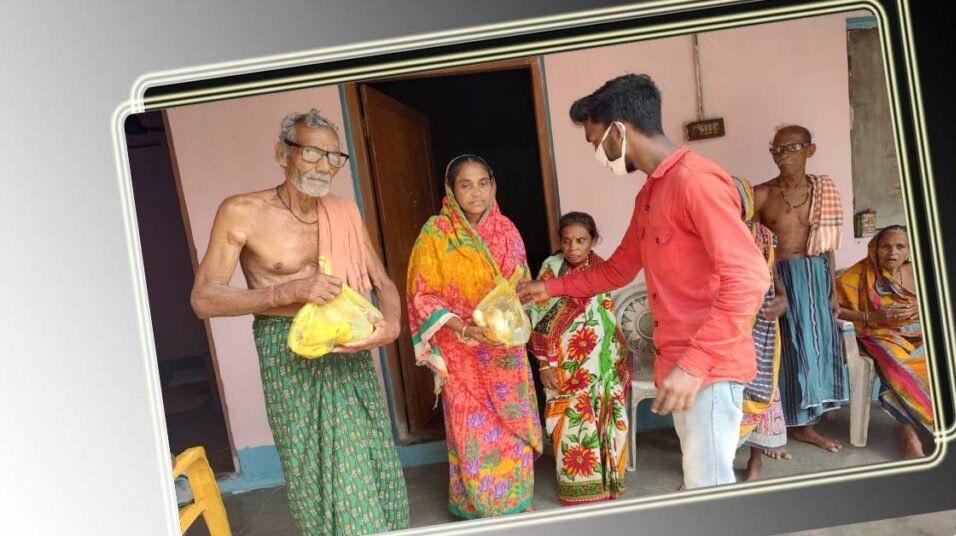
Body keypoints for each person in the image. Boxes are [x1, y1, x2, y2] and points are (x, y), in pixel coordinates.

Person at [518, 74, 770, 490]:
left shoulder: (695, 182)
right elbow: (617, 270)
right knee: (700, 482)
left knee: (708, 489)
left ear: (619, 131)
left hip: (708, 366)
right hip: (681, 364)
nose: (598, 155)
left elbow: (748, 278)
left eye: (596, 142)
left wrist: (693, 366)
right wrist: (549, 288)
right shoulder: (651, 194)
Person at [189, 109, 409, 535]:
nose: (324, 166)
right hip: (284, 345)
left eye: (334, 156)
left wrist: (393, 325)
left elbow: (383, 284)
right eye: (312, 153)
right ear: (282, 153)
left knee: (365, 455)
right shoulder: (242, 211)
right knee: (309, 464)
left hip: (345, 345)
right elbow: (203, 298)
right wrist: (284, 292)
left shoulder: (343, 212)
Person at [406, 154, 543, 518]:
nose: (476, 193)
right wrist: (465, 327)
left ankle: (515, 498)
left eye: (483, 183)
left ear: (493, 185)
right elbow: (422, 294)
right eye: (465, 185)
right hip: (462, 352)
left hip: (504, 349)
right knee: (472, 430)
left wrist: (509, 315)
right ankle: (481, 504)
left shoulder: (508, 230)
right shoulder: (436, 234)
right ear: (450, 190)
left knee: (510, 427)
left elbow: (522, 283)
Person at [754, 125, 848, 454]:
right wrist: (777, 289)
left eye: (791, 148)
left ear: (810, 150)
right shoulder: (762, 194)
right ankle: (774, 429)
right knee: (780, 353)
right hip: (776, 279)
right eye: (777, 150)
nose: (783, 156)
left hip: (816, 277)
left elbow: (827, 244)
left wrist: (833, 290)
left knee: (814, 350)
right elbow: (757, 246)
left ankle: (806, 427)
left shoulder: (824, 191)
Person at [526, 212, 631, 505]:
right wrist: (545, 364)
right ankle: (578, 489)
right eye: (567, 240)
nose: (573, 247)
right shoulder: (551, 268)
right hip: (564, 366)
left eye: (581, 240)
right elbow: (537, 317)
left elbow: (606, 317)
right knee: (571, 422)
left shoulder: (602, 269)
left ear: (593, 240)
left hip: (602, 365)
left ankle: (608, 484)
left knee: (606, 420)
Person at [835, 225, 932, 458]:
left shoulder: (918, 272)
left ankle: (913, 428)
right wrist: (872, 316)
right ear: (875, 249)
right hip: (879, 334)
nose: (893, 252)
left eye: (900, 246)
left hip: (918, 333)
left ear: (908, 250)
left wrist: (921, 306)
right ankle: (910, 434)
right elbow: (834, 309)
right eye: (886, 246)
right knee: (900, 364)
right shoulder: (858, 274)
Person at [733, 177, 790, 481]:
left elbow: (774, 279)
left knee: (762, 385)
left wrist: (782, 299)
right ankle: (715, 460)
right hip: (723, 325)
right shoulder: (703, 235)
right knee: (721, 392)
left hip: (761, 324)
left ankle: (755, 460)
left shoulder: (765, 237)